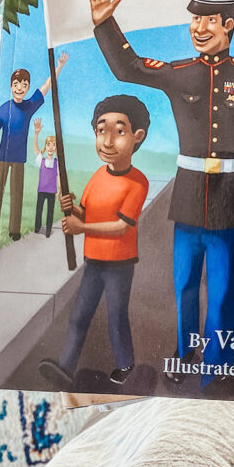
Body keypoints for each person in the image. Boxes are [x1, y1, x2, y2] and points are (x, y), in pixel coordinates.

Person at [87, 0, 234, 389]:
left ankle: (218, 366)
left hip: (230, 201)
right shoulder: (180, 72)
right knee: (186, 285)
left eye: (209, 20)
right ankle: (184, 352)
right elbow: (128, 67)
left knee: (224, 292)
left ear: (228, 24)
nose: (199, 28)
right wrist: (105, 23)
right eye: (194, 20)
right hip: (188, 197)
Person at [38, 95, 150, 389]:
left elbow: (120, 227)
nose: (108, 141)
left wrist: (80, 226)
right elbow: (87, 212)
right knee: (78, 317)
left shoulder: (138, 183)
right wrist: (72, 208)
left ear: (138, 137)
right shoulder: (98, 176)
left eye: (119, 131)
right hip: (94, 262)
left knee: (115, 317)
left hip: (119, 265)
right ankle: (65, 368)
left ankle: (125, 365)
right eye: (101, 130)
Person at [0, 53, 68, 240]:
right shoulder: (3, 109)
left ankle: (14, 230)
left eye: (24, 85)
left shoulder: (29, 106)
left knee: (17, 193)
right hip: (2, 158)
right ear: (10, 86)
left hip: (20, 159)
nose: (20, 88)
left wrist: (60, 67)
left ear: (28, 87)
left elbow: (46, 87)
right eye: (16, 84)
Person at [32, 119, 59, 238]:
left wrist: (60, 190)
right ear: (46, 146)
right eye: (49, 144)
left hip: (52, 191)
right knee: (39, 209)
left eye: (53, 145)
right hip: (42, 190)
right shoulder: (41, 160)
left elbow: (58, 177)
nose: (51, 147)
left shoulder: (57, 162)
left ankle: (48, 230)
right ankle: (37, 227)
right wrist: (36, 133)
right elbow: (36, 149)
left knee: (50, 212)